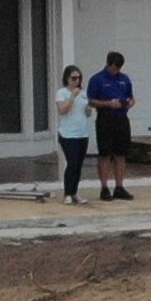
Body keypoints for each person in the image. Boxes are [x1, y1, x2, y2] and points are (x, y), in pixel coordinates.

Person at [84, 51, 135, 201]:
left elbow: (131, 97)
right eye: (114, 67)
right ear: (108, 64)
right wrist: (107, 103)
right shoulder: (97, 79)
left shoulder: (124, 79)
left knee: (121, 154)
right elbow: (90, 101)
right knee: (105, 154)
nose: (116, 70)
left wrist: (130, 103)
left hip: (121, 118)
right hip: (105, 118)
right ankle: (104, 187)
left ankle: (119, 186)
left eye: (119, 68)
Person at [50, 64, 90, 203]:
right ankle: (68, 193)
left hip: (82, 134)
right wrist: (72, 96)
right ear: (67, 78)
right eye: (73, 78)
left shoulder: (83, 93)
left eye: (79, 78)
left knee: (79, 164)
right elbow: (62, 110)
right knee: (72, 162)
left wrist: (89, 108)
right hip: (68, 134)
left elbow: (86, 112)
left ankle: (74, 193)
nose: (76, 81)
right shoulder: (62, 93)